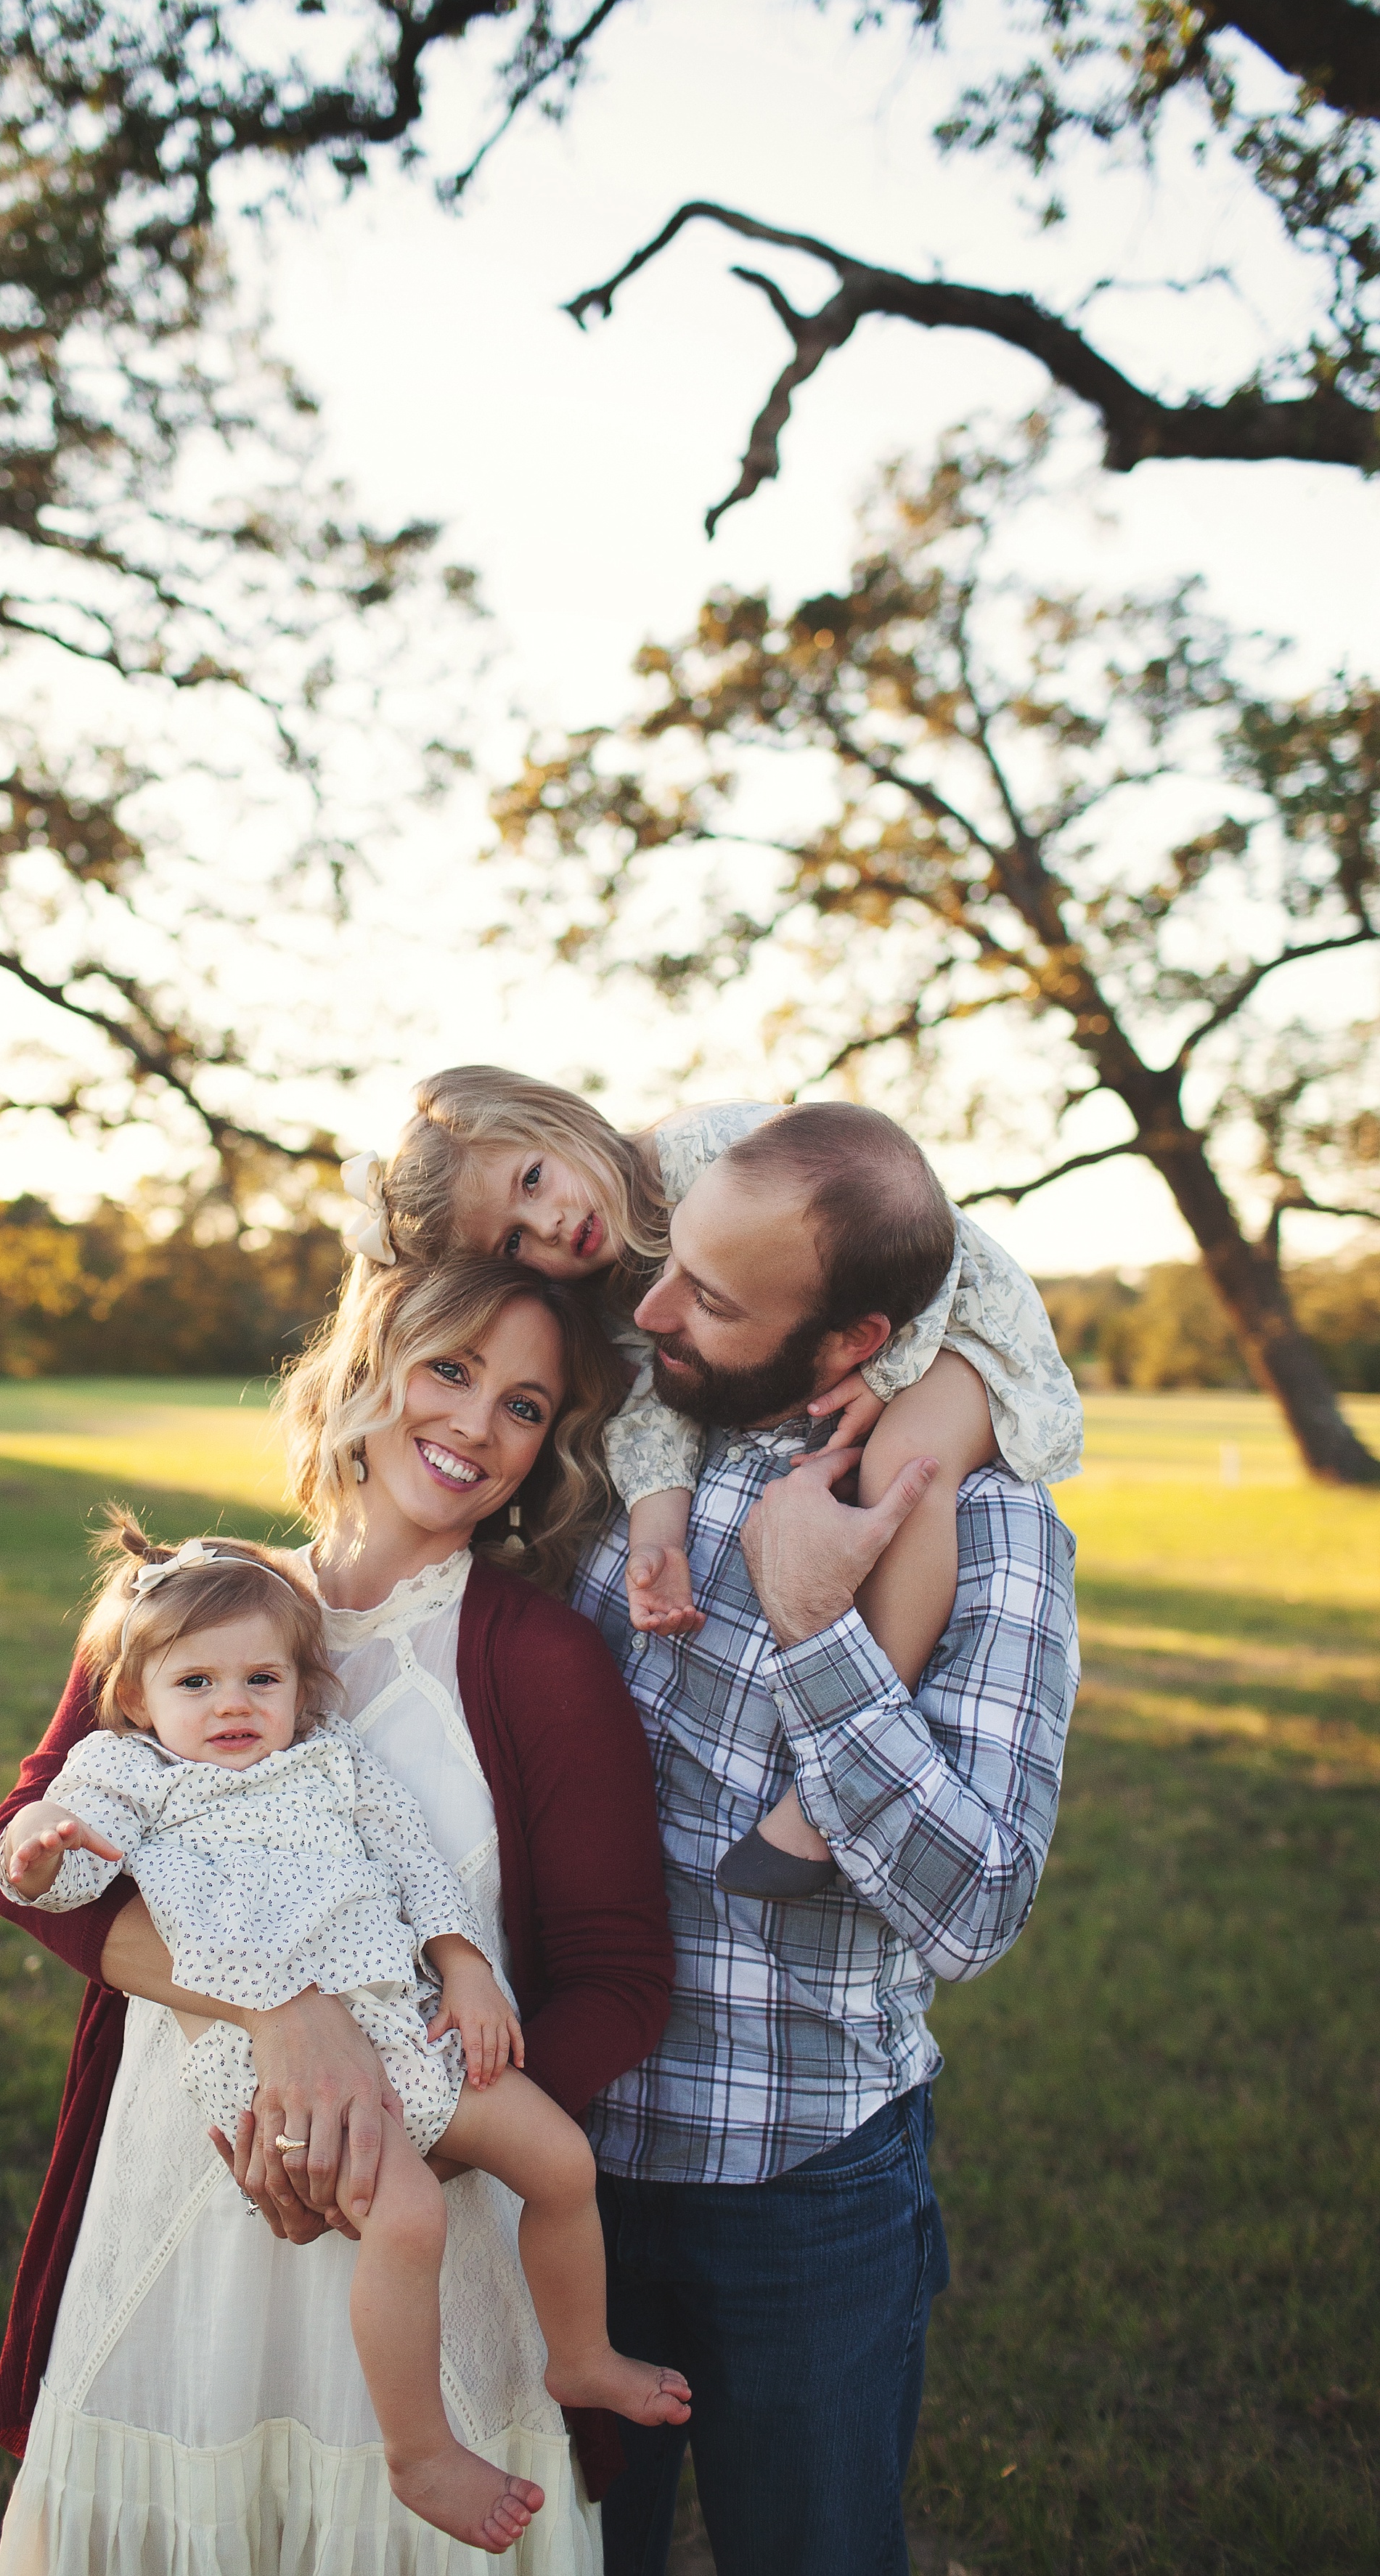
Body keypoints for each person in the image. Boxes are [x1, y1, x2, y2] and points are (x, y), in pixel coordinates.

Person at [0, 1255, 677, 2576]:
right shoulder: (192, 1607)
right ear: (365, 1368)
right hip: (200, 2167)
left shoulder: (540, 1658)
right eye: (452, 1370)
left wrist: (426, 2135)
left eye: (526, 1407)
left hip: (431, 2199)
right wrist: (276, 2011)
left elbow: (619, 1975)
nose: (478, 1425)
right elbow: (34, 1863)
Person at [563, 1100, 1081, 2576]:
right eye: (673, 1269)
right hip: (553, 2160)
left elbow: (978, 1909)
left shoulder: (987, 1524)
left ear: (853, 1339)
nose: (653, 1309)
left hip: (806, 2184)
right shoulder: (616, 1449)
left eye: (714, 1300)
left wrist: (816, 1632)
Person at [347, 1067, 1080, 1899]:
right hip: (872, 1335)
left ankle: (823, 1794)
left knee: (907, 1469)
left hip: (956, 1326)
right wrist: (660, 1533)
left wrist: (889, 1369)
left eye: (533, 1179)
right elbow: (651, 1406)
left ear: (558, 1120)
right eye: (514, 1241)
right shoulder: (609, 1285)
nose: (549, 1225)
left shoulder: (704, 1149)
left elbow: (916, 1225)